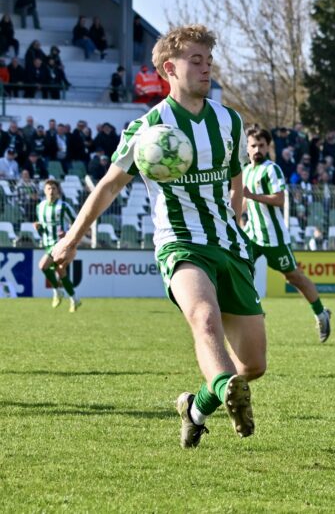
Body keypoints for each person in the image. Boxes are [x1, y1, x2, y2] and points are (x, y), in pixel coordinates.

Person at [45, 23, 260, 450]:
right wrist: (70, 239)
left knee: (253, 365)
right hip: (180, 241)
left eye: (209, 60)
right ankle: (224, 388)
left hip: (229, 244)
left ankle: (195, 408)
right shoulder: (147, 129)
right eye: (196, 60)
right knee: (204, 317)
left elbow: (237, 174)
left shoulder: (229, 121)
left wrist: (236, 217)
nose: (206, 68)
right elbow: (108, 185)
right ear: (169, 69)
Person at [242, 126, 331, 343]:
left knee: (294, 277)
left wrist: (252, 195)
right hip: (251, 234)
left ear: (268, 147)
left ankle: (321, 313)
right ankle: (254, 314)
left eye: (261, 145)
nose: (257, 149)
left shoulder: (271, 169)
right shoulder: (246, 170)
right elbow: (244, 201)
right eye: (253, 145)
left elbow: (280, 199)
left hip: (273, 237)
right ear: (247, 147)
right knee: (239, 271)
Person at [35, 179, 80, 311]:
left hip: (60, 244)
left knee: (42, 265)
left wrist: (67, 234)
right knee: (61, 271)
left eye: (54, 188)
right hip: (47, 243)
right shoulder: (40, 207)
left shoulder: (64, 206)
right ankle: (74, 299)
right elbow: (43, 230)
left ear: (58, 191)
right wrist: (38, 229)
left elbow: (77, 224)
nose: (51, 191)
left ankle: (57, 290)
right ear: (44, 191)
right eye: (48, 188)